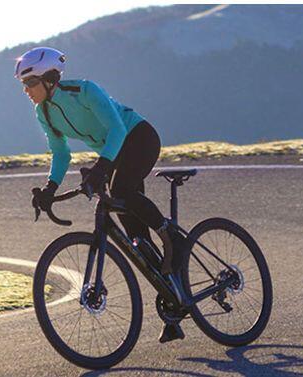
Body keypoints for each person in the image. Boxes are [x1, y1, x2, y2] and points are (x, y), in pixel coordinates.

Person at [15, 47, 189, 343]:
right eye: (24, 86)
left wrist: (102, 168)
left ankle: (173, 236)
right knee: (138, 242)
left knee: (121, 190)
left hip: (138, 137)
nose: (27, 91)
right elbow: (60, 153)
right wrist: (50, 189)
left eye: (30, 84)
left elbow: (117, 130)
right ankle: (175, 303)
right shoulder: (42, 111)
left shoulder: (84, 91)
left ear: (50, 79)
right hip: (112, 156)